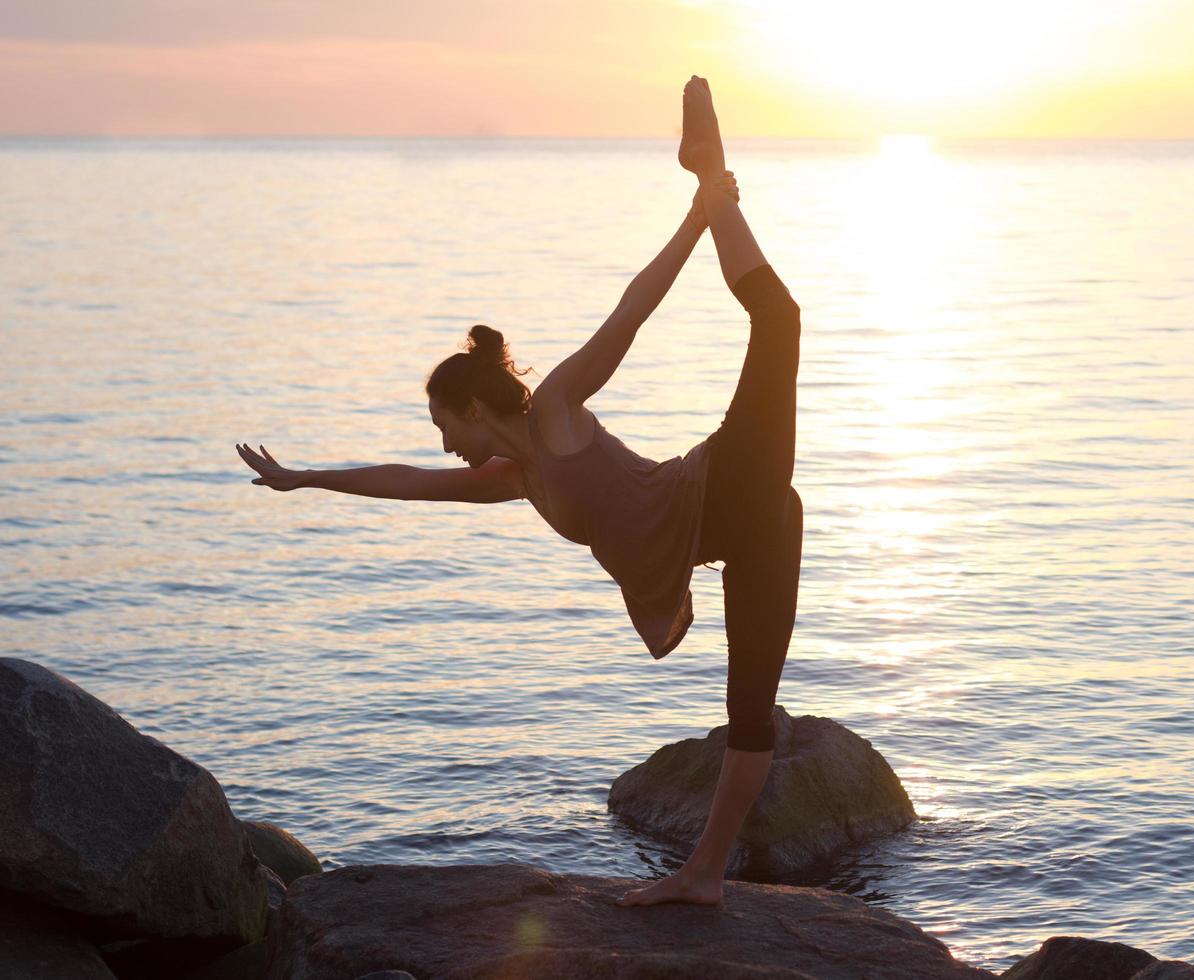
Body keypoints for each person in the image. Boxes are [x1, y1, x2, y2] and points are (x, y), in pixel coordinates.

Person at [237, 76, 802, 907]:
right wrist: (306, 477)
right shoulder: (516, 480)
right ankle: (705, 878)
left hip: (731, 480)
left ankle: (708, 176)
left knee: (778, 320)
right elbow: (405, 483)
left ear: (472, 407)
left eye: (444, 425)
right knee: (750, 715)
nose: (443, 445)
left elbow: (631, 311)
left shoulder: (561, 411)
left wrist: (699, 211)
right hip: (755, 531)